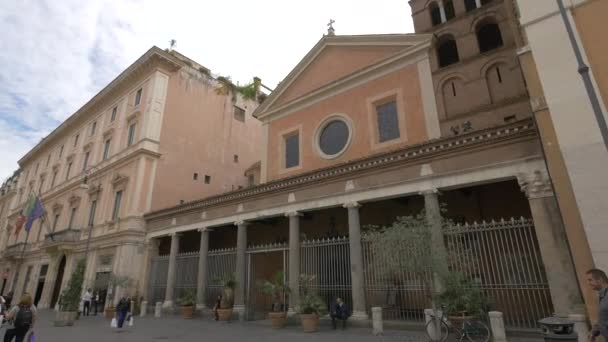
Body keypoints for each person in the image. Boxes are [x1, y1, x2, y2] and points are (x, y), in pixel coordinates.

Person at [587, 269, 608, 341]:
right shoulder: (603, 296)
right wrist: (593, 332)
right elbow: (603, 318)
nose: (588, 283)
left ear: (600, 279)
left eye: (590, 280)